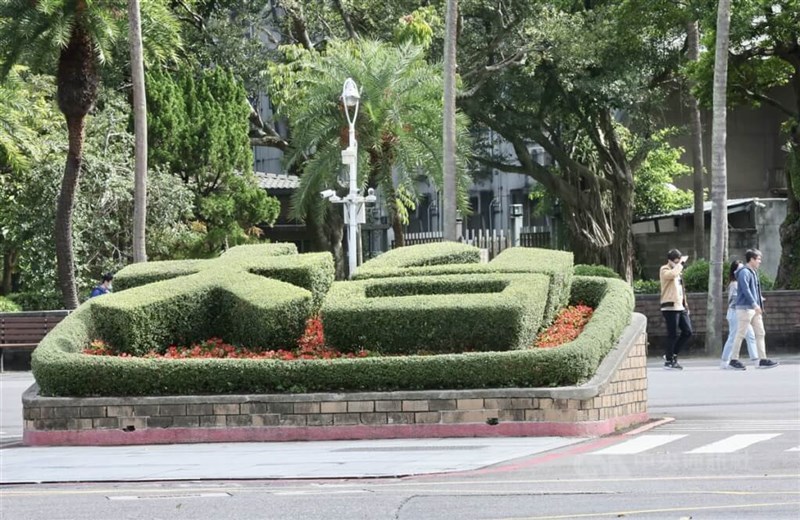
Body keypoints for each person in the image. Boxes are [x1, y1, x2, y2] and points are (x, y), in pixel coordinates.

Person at [729, 249, 778, 369]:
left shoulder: (752, 272)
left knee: (760, 333)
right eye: (758, 259)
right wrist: (754, 304)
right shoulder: (744, 272)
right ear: (751, 259)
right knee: (740, 334)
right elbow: (746, 290)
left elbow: (755, 290)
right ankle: (733, 360)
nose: (760, 261)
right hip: (746, 308)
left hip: (754, 308)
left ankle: (763, 359)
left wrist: (758, 304)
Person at [720, 260, 758, 370]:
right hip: (735, 313)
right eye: (740, 269)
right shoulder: (734, 284)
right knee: (733, 337)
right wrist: (748, 299)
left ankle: (756, 359)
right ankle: (725, 361)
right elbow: (734, 299)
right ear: (735, 271)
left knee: (750, 335)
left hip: (742, 312)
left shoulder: (739, 283)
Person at [659, 249, 693, 370]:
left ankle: (672, 354)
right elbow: (671, 275)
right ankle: (669, 360)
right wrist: (680, 265)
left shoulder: (677, 271)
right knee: (672, 334)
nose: (678, 263)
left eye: (679, 261)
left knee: (688, 331)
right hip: (670, 306)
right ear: (670, 260)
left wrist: (686, 305)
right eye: (675, 261)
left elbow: (681, 290)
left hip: (681, 306)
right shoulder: (665, 269)